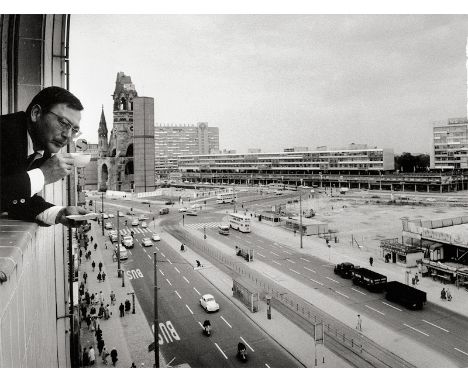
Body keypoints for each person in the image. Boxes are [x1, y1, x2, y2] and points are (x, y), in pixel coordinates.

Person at [0, 86, 88, 225]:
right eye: (63, 123)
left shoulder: (42, 149)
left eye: (74, 130)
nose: (68, 135)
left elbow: (17, 199)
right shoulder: (4, 131)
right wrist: (42, 175)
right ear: (36, 113)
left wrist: (60, 213)